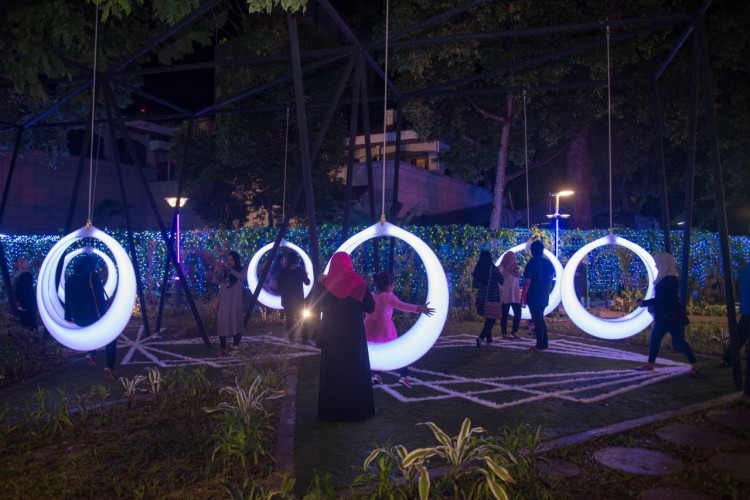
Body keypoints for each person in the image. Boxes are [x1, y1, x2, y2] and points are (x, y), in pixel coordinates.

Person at [314, 252, 376, 422]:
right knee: (355, 370)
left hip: (331, 335)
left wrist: (322, 283)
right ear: (349, 264)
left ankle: (332, 412)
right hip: (353, 336)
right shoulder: (360, 284)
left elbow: (315, 307)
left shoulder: (324, 284)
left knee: (333, 372)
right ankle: (356, 411)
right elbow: (370, 307)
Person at [364, 271, 435, 388]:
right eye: (392, 284)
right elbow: (403, 306)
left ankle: (376, 375)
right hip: (384, 330)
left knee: (378, 351)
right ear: (388, 285)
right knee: (399, 353)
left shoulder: (371, 295)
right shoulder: (388, 297)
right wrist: (420, 308)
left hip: (369, 329)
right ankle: (403, 376)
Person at [635, 252, 700, 374]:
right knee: (668, 339)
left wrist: (644, 303)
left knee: (673, 340)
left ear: (664, 263)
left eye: (658, 263)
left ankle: (650, 365)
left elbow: (662, 298)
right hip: (669, 315)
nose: (656, 266)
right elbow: (663, 298)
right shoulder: (668, 277)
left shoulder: (668, 279)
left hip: (669, 316)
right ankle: (694, 365)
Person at [64, 254, 116, 381]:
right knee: (112, 337)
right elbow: (99, 299)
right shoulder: (93, 277)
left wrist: (68, 317)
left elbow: (67, 300)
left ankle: (91, 354)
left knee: (92, 332)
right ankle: (109, 367)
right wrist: (105, 317)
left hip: (79, 319)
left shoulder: (70, 279)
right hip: (94, 317)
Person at [521, 240, 555, 351]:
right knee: (540, 318)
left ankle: (540, 345)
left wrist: (523, 297)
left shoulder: (531, 263)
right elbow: (551, 276)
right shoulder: (547, 263)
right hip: (544, 294)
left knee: (537, 320)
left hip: (534, 295)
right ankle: (544, 343)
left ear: (532, 251)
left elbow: (527, 282)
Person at [213, 250, 246, 357]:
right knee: (223, 323)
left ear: (236, 260)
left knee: (236, 322)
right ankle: (223, 349)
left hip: (235, 301)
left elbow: (241, 277)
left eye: (231, 260)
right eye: (228, 260)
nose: (229, 262)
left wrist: (229, 269)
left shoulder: (240, 270)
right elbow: (216, 281)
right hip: (224, 301)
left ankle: (235, 347)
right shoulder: (224, 270)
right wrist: (216, 271)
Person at [471, 250, 503, 347]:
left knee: (488, 318)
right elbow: (501, 279)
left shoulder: (478, 269)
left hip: (482, 297)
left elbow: (475, 285)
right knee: (492, 319)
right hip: (493, 296)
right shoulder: (492, 268)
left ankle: (489, 339)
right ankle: (481, 337)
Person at [277, 251, 311, 343]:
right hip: (298, 299)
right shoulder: (300, 270)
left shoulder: (283, 271)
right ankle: (305, 337)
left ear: (288, 260)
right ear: (296, 260)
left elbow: (279, 283)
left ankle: (291, 338)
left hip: (287, 299)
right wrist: (306, 275)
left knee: (289, 319)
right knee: (301, 318)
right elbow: (307, 282)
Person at [722, 262, 750, 366]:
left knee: (741, 334)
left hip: (746, 307)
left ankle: (728, 357)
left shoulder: (746, 268)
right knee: (741, 334)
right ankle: (729, 357)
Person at [498, 252, 521, 339]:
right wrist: (501, 289)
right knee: (505, 314)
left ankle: (514, 331)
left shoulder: (515, 269)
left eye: (514, 258)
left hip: (515, 294)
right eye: (510, 258)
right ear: (506, 258)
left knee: (518, 313)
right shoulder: (502, 268)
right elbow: (497, 279)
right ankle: (504, 332)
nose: (512, 260)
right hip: (506, 294)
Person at [11, 257, 37, 331]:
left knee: (27, 323)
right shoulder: (20, 274)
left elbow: (24, 290)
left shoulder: (26, 275)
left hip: (24, 304)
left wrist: (19, 300)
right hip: (23, 303)